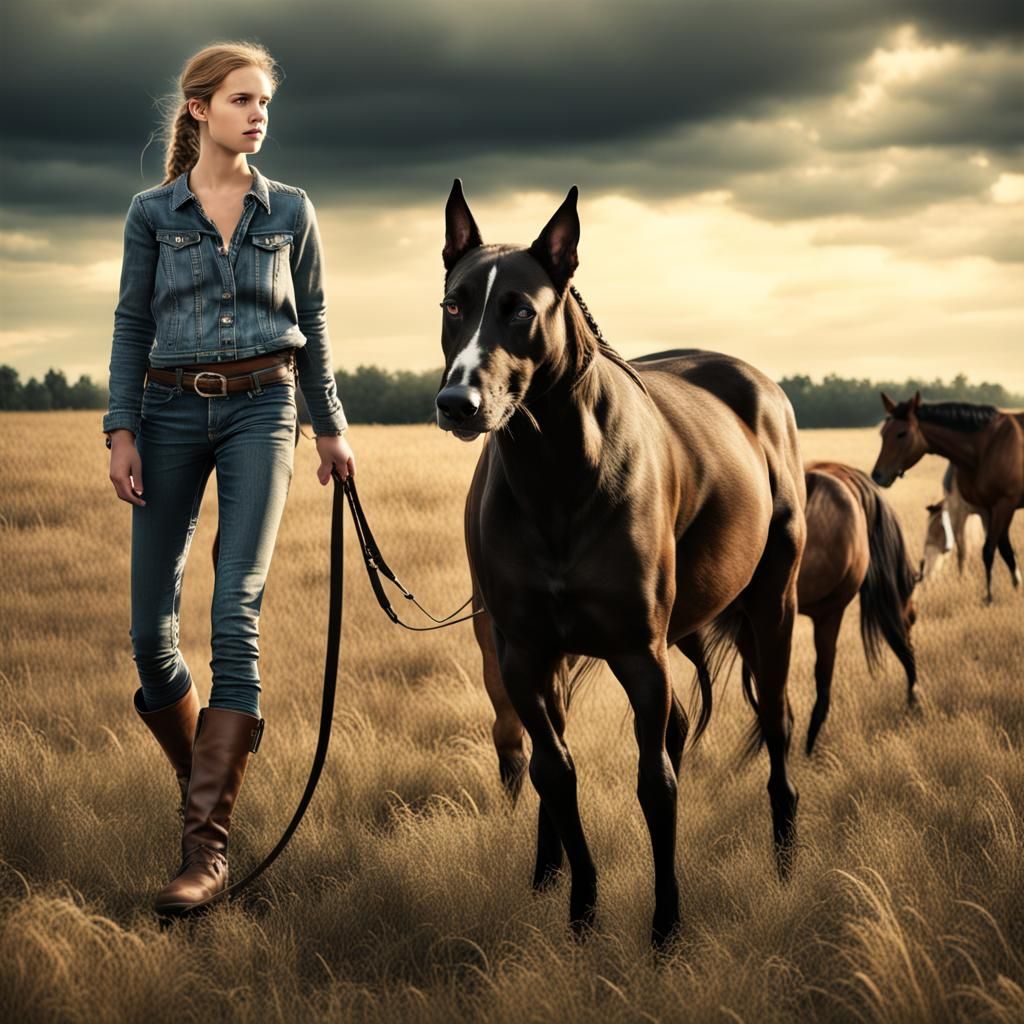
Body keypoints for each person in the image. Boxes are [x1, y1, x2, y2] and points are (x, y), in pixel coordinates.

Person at [103, 41, 354, 915]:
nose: (258, 115)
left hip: (264, 411)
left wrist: (330, 427)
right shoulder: (151, 213)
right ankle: (210, 780)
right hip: (167, 413)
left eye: (266, 103)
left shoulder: (291, 210)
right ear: (199, 108)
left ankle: (205, 850)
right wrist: (122, 429)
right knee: (149, 634)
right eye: (242, 99)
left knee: (233, 609)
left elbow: (312, 324)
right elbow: (132, 321)